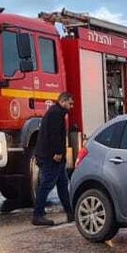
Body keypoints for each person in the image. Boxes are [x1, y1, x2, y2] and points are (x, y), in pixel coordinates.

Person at [32, 92, 75, 226]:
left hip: (51, 155)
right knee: (47, 184)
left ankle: (70, 212)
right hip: (51, 156)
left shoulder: (56, 112)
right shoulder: (57, 113)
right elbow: (55, 134)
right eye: (70, 103)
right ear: (63, 101)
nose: (71, 106)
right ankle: (38, 214)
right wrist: (57, 152)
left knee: (62, 184)